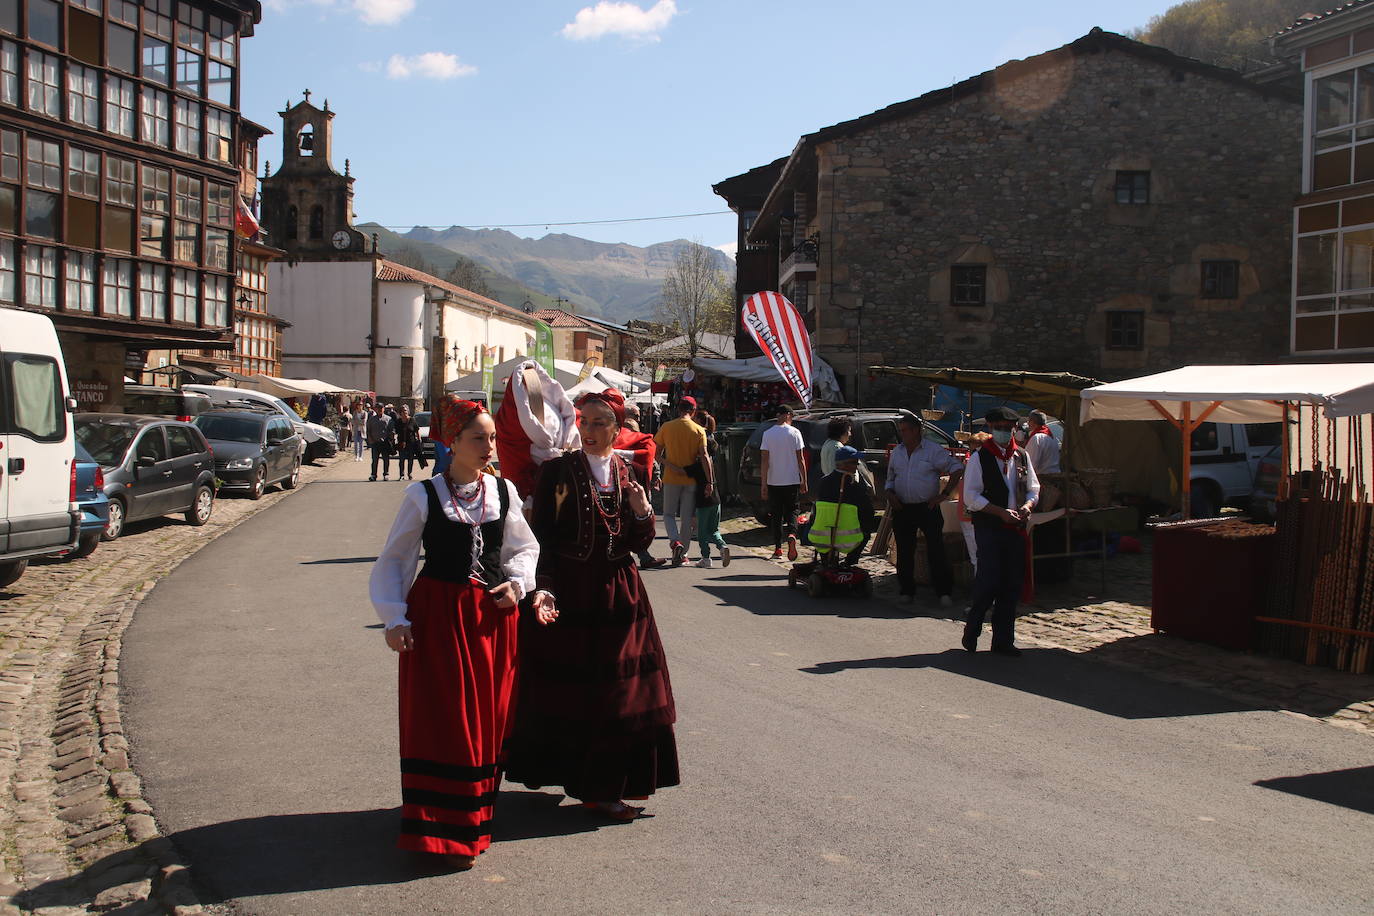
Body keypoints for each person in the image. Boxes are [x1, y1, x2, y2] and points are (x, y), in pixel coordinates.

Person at [369, 397, 557, 869]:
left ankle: (474, 817)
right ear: (451, 442)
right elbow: (396, 560)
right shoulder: (423, 495)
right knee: (447, 719)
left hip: (492, 622)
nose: (489, 446)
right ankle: (442, 830)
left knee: (487, 720)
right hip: (440, 618)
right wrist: (395, 618)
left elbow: (523, 548)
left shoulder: (505, 492)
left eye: (492, 437)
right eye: (480, 437)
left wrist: (518, 585)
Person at [504, 388, 680, 821]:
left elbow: (639, 542)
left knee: (622, 691)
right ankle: (585, 783)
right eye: (585, 421)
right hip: (572, 592)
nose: (592, 429)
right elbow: (541, 534)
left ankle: (608, 786)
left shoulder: (630, 469)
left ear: (618, 430)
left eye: (601, 422)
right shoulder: (558, 471)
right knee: (577, 693)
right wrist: (542, 587)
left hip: (621, 594)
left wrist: (642, 512)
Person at [962, 406, 1040, 657]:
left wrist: (1028, 505)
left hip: (1015, 529)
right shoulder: (980, 458)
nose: (1004, 433)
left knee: (1011, 584)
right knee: (989, 581)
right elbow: (970, 496)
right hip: (990, 528)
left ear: (1015, 429)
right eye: (999, 429)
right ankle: (973, 628)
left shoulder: (1022, 456)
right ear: (991, 429)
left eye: (1008, 429)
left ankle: (1003, 640)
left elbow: (1033, 488)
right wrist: (998, 512)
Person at [885, 415, 965, 607]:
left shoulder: (932, 450)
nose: (902, 434)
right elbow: (890, 477)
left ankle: (943, 592)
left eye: (906, 430)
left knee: (936, 550)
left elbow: (956, 468)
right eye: (901, 430)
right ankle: (906, 590)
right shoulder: (897, 453)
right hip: (903, 507)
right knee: (905, 551)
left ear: (916, 431)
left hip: (926, 507)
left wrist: (944, 494)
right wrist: (889, 494)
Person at [654, 397, 710, 566]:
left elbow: (656, 454)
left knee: (669, 514)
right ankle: (683, 554)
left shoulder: (666, 427)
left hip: (671, 478)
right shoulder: (699, 430)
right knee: (686, 517)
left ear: (678, 409)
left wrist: (669, 465)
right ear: (693, 411)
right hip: (691, 479)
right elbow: (705, 457)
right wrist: (709, 481)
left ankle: (674, 541)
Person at [612, 399, 666, 569]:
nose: (639, 417)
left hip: (636, 483)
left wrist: (653, 476)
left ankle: (643, 555)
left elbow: (649, 461)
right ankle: (642, 555)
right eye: (636, 415)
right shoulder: (622, 435)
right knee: (632, 519)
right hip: (628, 484)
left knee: (636, 519)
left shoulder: (639, 439)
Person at [809, 445, 877, 565]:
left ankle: (825, 561)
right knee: (866, 532)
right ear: (842, 464)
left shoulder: (823, 482)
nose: (857, 466)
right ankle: (850, 562)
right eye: (854, 463)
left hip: (822, 535)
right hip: (849, 537)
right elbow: (868, 512)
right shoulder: (855, 487)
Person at [760, 404, 807, 561]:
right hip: (792, 480)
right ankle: (793, 534)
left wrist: (764, 483)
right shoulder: (795, 433)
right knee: (793, 510)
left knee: (777, 515)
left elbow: (764, 460)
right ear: (788, 415)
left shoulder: (767, 434)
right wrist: (804, 480)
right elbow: (801, 459)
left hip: (774, 481)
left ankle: (778, 548)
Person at [690, 410, 729, 568]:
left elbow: (680, 471)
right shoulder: (712, 465)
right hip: (716, 499)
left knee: (702, 532)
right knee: (714, 529)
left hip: (702, 500)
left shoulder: (698, 466)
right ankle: (722, 546)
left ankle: (706, 558)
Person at [1024, 410, 1061, 474]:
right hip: (1055, 475)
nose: (1028, 423)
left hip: (1043, 478)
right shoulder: (1051, 437)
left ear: (1033, 422)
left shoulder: (1036, 438)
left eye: (1029, 421)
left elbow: (1032, 464)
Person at [367, 403, 395, 481]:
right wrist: (371, 440)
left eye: (381, 408)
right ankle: (373, 475)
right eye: (378, 408)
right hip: (375, 442)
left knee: (386, 459)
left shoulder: (389, 419)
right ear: (375, 409)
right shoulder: (371, 419)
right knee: (375, 460)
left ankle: (386, 474)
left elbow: (391, 430)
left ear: (384, 409)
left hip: (385, 443)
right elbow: (368, 430)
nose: (380, 409)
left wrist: (391, 440)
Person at [394, 405, 422, 481]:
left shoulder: (412, 420)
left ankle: (409, 474)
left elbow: (416, 431)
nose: (404, 412)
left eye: (406, 411)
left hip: (411, 443)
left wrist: (419, 440)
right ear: (400, 413)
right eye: (403, 411)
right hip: (401, 443)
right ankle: (401, 475)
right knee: (401, 460)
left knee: (410, 459)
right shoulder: (398, 421)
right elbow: (395, 432)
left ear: (408, 412)